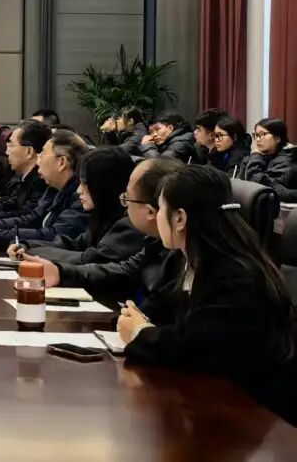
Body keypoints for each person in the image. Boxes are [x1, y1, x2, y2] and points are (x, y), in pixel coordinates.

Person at [117, 165, 297, 425]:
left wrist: (139, 332)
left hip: (251, 412)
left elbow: (193, 346)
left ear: (180, 219)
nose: (157, 216)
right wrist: (135, 318)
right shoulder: (194, 259)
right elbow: (160, 307)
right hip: (215, 398)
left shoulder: (235, 276)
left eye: (161, 208)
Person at [27, 158, 185, 307]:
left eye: (127, 198)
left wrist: (141, 323)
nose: (124, 205)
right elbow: (125, 270)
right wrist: (59, 273)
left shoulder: (185, 255)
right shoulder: (157, 243)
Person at [11, 146, 142, 266]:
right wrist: (26, 245)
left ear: (103, 186)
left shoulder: (129, 224)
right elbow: (75, 244)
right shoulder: (103, 216)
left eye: (85, 183)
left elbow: (89, 259)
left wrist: (31, 252)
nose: (79, 190)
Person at [0, 129, 89, 250]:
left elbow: (54, 236)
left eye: (43, 153)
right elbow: (33, 220)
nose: (38, 160)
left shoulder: (82, 196)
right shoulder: (54, 188)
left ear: (61, 162)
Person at [0, 119, 51, 221]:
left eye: (11, 145)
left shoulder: (41, 181)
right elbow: (11, 205)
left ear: (29, 151)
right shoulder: (23, 176)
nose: (7, 152)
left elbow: (25, 216)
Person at [241, 118, 297, 202]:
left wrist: (256, 156)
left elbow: (262, 187)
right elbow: (241, 182)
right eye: (256, 135)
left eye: (262, 134)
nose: (258, 139)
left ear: (277, 138)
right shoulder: (265, 154)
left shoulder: (288, 158)